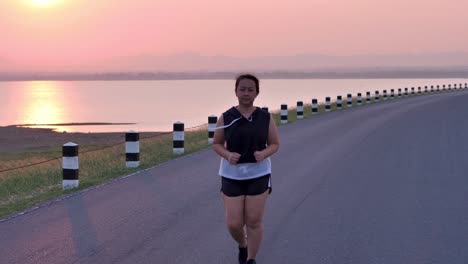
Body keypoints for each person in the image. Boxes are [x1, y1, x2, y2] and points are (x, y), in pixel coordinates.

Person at [212, 74, 280, 264]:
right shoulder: (226, 117)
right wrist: (227, 155)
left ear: (257, 93)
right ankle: (243, 244)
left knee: (253, 221)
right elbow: (216, 144)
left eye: (250, 89)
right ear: (236, 91)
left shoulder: (265, 117)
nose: (246, 93)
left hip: (259, 174)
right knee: (234, 223)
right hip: (231, 174)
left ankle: (251, 259)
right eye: (242, 89)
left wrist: (264, 154)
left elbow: (275, 144)